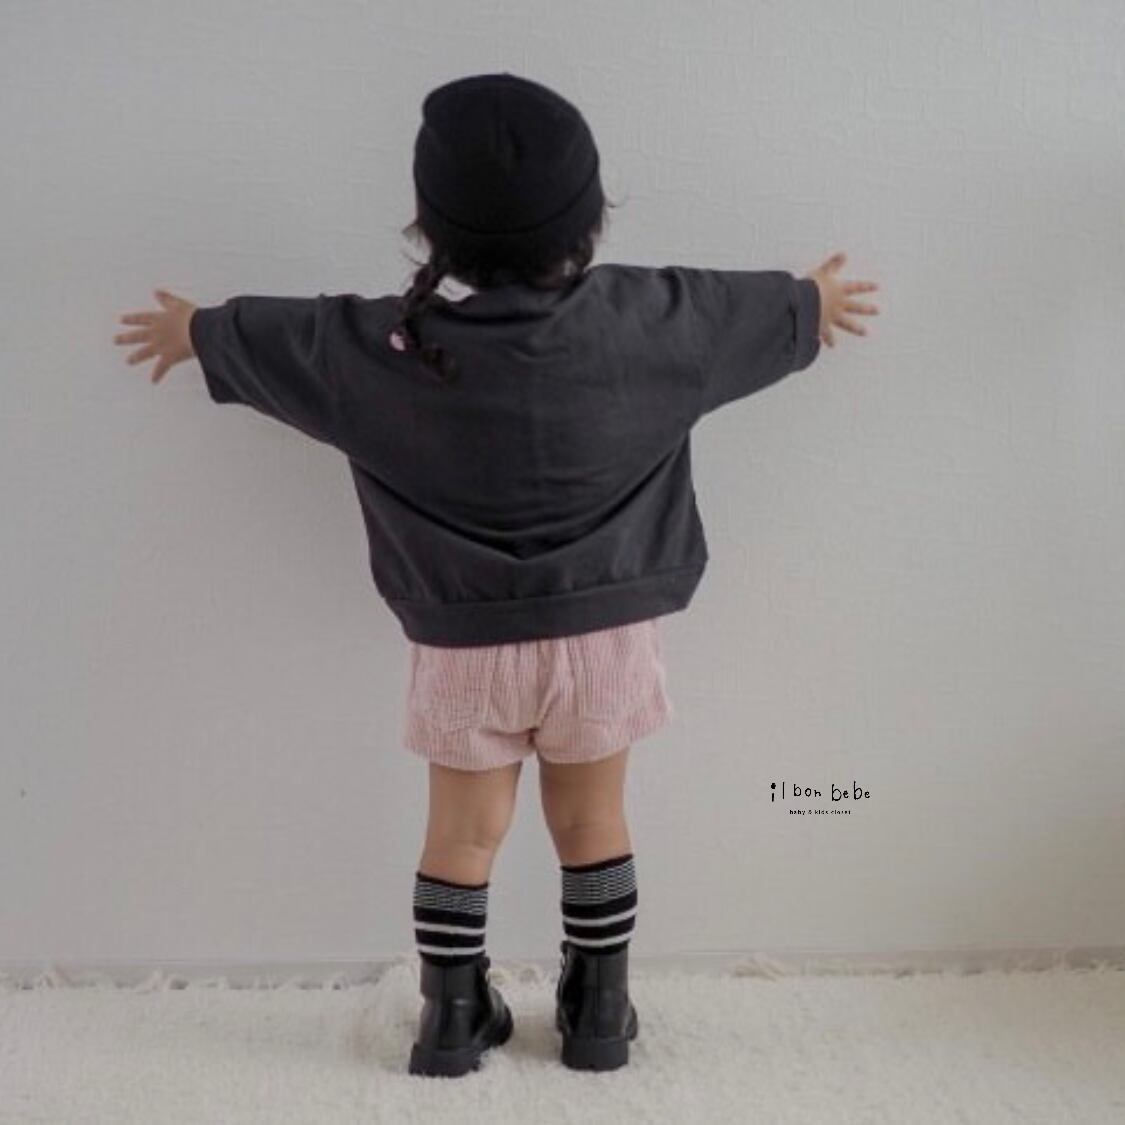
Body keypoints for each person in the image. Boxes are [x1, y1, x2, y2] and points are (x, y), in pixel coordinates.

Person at [112, 71, 879, 1077]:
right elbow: (759, 312)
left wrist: (195, 330)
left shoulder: (378, 348)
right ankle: (599, 1010)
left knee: (462, 835)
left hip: (462, 651)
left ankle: (450, 1014)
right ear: (591, 216)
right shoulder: (657, 320)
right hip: (605, 644)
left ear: (428, 228)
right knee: (593, 821)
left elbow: (282, 335)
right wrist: (812, 301)